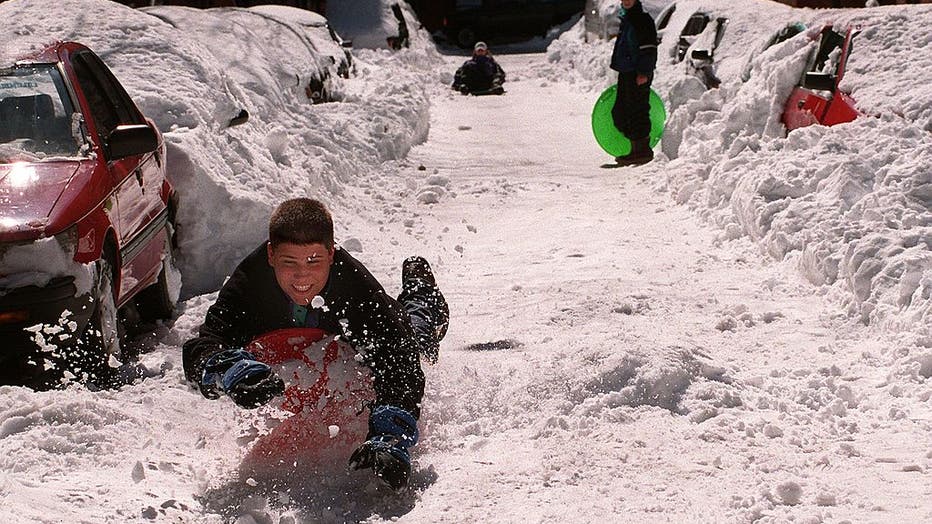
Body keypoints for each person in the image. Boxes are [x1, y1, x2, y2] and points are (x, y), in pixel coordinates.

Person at [182, 198, 449, 489]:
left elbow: (399, 361)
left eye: (314, 260)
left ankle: (421, 294)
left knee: (418, 340)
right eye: (289, 262)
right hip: (311, 346)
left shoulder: (356, 286)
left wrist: (389, 433)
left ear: (332, 254)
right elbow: (205, 344)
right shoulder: (249, 283)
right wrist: (227, 369)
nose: (301, 275)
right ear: (271, 255)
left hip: (375, 338)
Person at [609, 0, 657, 166]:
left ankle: (641, 151)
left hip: (638, 72)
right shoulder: (628, 19)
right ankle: (636, 148)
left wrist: (644, 72)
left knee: (637, 110)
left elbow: (649, 48)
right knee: (621, 111)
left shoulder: (642, 20)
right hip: (627, 71)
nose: (627, 1)